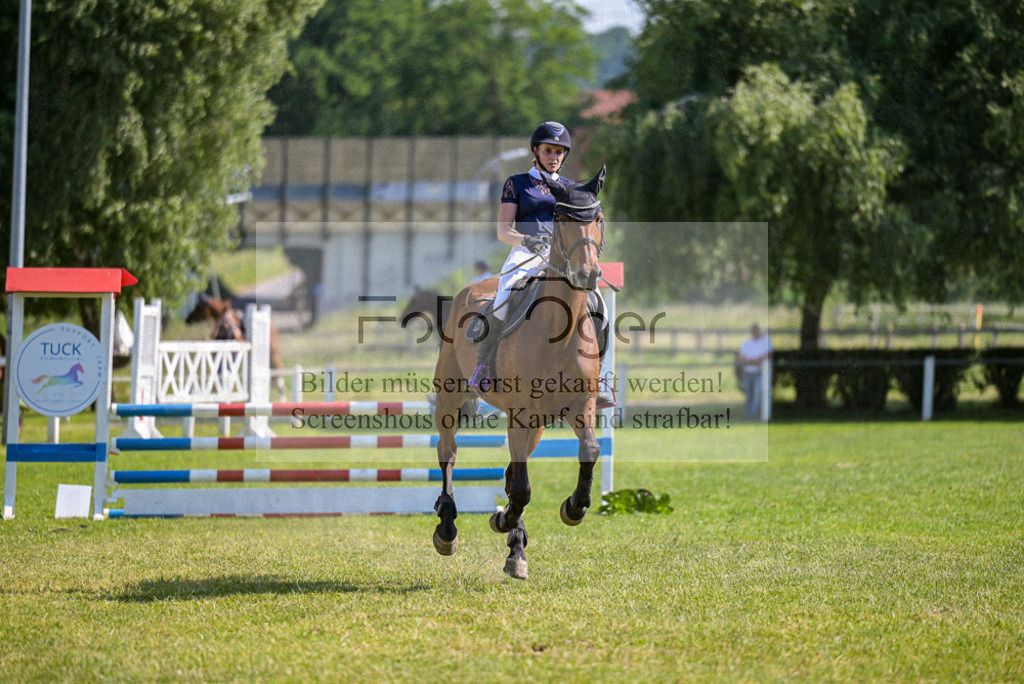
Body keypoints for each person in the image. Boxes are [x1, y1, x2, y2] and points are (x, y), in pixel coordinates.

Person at [737, 323, 774, 419]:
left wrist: (750, 361)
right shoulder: (746, 343)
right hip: (748, 373)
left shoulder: (766, 341)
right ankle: (748, 414)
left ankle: (753, 414)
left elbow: (768, 355)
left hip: (759, 373)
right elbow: (741, 359)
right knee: (749, 395)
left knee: (757, 394)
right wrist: (756, 361)